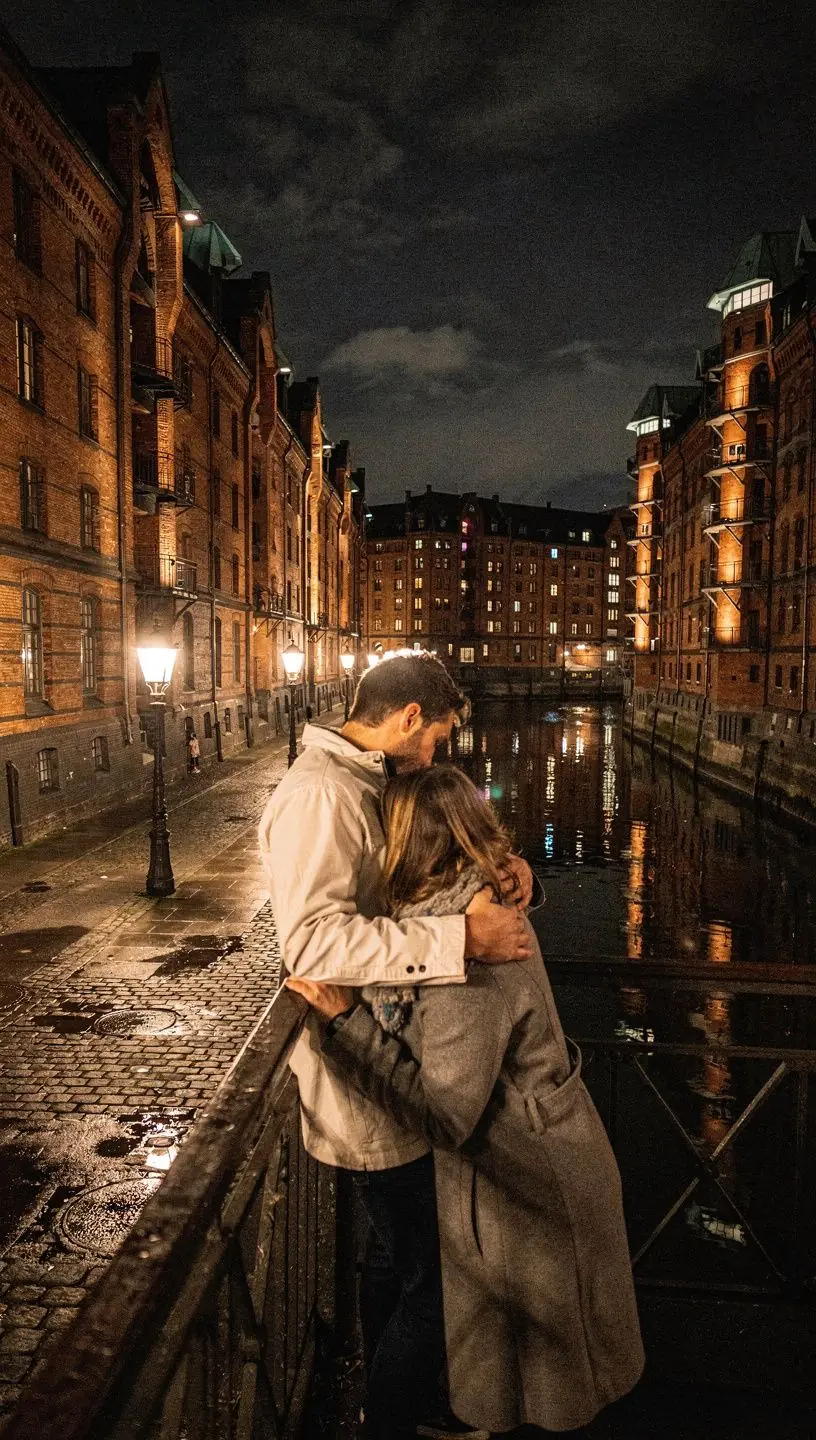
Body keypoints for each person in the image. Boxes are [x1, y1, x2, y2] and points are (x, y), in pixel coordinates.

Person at [287, 765, 645, 1437]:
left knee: (544, 1383)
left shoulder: (464, 959)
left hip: (526, 1186)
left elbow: (447, 1112)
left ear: (401, 847)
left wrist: (344, 1025)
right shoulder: (480, 907)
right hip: (547, 1163)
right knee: (540, 1367)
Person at [258, 652, 533, 1440]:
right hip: (364, 1077)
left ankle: (396, 1402)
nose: (439, 755)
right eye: (440, 737)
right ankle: (395, 1418)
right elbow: (311, 945)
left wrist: (507, 878)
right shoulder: (323, 794)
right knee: (435, 1281)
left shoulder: (368, 781)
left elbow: (423, 871)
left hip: (393, 1059)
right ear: (410, 718)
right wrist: (461, 940)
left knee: (394, 1262)